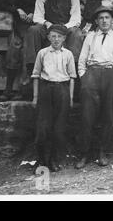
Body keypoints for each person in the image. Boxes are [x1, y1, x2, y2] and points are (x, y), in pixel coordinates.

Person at [75, 6, 113, 169]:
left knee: (108, 116)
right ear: (96, 21)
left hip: (111, 75)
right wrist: (84, 78)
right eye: (101, 18)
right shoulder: (90, 37)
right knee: (86, 116)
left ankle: (102, 152)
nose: (104, 21)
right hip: (92, 74)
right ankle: (84, 153)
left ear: (112, 20)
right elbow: (81, 61)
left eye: (107, 17)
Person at [24, 0, 83, 80]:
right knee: (33, 30)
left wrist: (64, 27)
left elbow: (76, 18)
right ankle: (33, 69)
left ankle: (74, 70)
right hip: (47, 28)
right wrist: (47, 23)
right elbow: (37, 17)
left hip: (65, 28)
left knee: (76, 33)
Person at [31, 24, 76, 172]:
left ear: (64, 38)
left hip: (62, 90)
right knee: (43, 128)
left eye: (59, 36)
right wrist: (35, 97)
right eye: (53, 36)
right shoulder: (42, 53)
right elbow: (36, 75)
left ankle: (54, 160)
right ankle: (42, 161)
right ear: (48, 37)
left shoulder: (68, 54)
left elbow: (72, 77)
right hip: (46, 90)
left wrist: (69, 97)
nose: (56, 39)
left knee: (59, 128)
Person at [0, 0, 41, 101]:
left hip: (30, 25)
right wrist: (17, 10)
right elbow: (0, 3)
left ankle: (24, 90)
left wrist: (33, 13)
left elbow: (38, 3)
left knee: (26, 50)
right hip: (14, 24)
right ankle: (8, 89)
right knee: (14, 50)